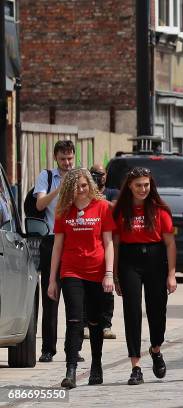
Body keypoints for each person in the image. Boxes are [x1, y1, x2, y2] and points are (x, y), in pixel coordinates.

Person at [47, 169, 115, 389]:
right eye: (77, 186)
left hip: (96, 271)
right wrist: (52, 280)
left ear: (90, 186)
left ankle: (96, 364)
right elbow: (57, 247)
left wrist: (109, 273)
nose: (81, 190)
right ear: (69, 188)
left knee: (95, 321)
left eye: (85, 185)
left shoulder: (102, 207)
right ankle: (71, 369)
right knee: (74, 320)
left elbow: (108, 243)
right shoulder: (63, 211)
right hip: (71, 271)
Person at [113, 167, 177, 385]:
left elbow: (169, 243)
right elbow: (116, 244)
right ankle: (136, 366)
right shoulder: (121, 211)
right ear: (130, 186)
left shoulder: (160, 210)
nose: (143, 189)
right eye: (138, 185)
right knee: (132, 311)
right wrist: (113, 274)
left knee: (157, 309)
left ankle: (156, 348)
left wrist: (171, 274)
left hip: (155, 260)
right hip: (129, 262)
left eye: (146, 185)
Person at [34, 140, 82, 363]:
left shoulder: (80, 176)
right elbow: (40, 205)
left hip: (75, 240)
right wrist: (59, 189)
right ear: (56, 158)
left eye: (70, 158)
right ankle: (47, 348)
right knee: (50, 296)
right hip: (52, 241)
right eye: (63, 159)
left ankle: (75, 348)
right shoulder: (46, 176)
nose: (67, 163)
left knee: (76, 298)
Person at [84, 164, 118, 340]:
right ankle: (86, 324)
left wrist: (98, 198)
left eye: (100, 174)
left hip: (109, 243)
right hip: (90, 244)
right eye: (94, 174)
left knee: (107, 289)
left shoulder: (113, 192)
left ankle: (106, 325)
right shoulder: (84, 193)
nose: (98, 177)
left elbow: (115, 207)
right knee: (85, 290)